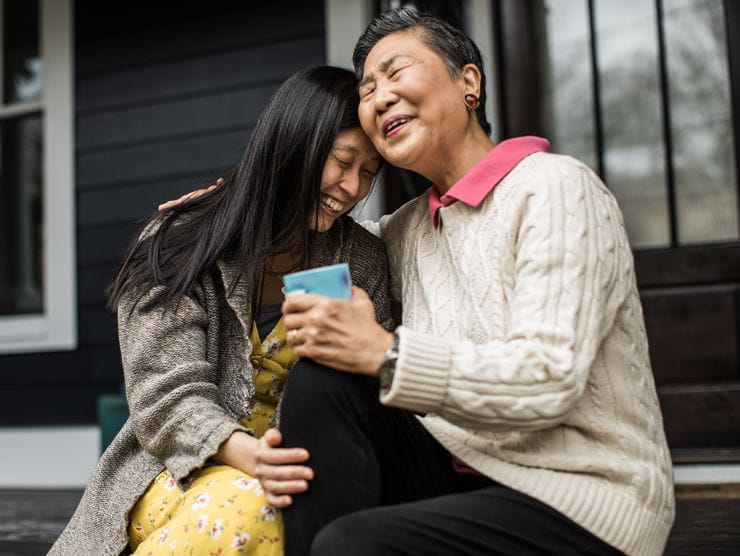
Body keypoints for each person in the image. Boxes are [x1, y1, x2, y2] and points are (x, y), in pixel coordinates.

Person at [277, 9, 675, 556]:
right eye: (368, 89)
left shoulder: (555, 188)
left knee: (354, 544)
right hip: (458, 476)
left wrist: (387, 354)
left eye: (396, 73)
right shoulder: (409, 228)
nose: (379, 98)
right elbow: (307, 226)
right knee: (321, 380)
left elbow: (548, 380)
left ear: (469, 83)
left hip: (582, 497)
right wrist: (218, 208)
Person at [49, 66, 393, 556]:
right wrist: (250, 456)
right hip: (174, 468)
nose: (353, 188)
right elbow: (165, 394)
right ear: (292, 144)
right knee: (253, 509)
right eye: (341, 161)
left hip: (302, 472)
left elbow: (369, 391)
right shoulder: (182, 241)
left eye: (369, 173)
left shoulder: (360, 260)